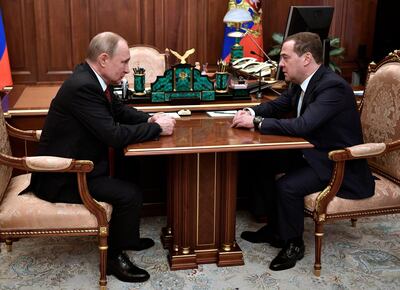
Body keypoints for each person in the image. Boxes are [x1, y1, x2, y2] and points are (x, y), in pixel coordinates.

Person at [29, 32, 176, 283]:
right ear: (104, 59)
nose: (128, 69)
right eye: (124, 62)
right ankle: (113, 259)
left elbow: (118, 110)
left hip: (86, 160)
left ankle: (126, 237)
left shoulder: (92, 78)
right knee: (129, 194)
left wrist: (149, 118)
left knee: (132, 168)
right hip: (66, 173)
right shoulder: (83, 86)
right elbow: (113, 135)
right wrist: (156, 129)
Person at [231, 32, 375, 271]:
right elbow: (278, 105)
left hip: (336, 161)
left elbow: (303, 125)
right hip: (312, 152)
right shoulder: (301, 83)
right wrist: (250, 112)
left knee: (287, 186)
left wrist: (258, 124)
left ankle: (293, 244)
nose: (280, 64)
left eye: (285, 57)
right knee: (259, 162)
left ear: (306, 58)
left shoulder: (333, 87)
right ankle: (276, 230)